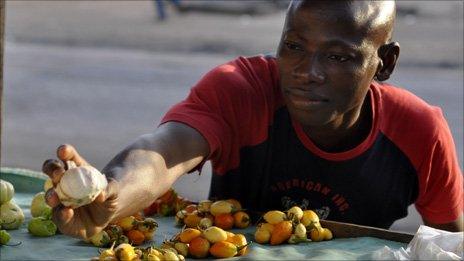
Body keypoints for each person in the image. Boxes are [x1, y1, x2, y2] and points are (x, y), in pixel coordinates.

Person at [43, 0, 463, 239]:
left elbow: (448, 245)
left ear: (384, 63)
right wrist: (111, 192)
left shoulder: (419, 131)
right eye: (294, 47)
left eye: (337, 56)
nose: (306, 72)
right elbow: (162, 152)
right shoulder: (241, 89)